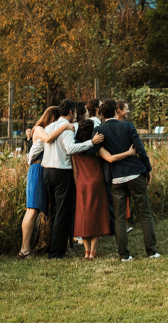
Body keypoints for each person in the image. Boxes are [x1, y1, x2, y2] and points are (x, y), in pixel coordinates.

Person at [96, 99, 160, 261]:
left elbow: (97, 152)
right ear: (116, 111)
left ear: (102, 114)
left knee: (118, 218)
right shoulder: (128, 126)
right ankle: (152, 252)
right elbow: (140, 149)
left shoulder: (99, 131)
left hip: (116, 178)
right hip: (135, 173)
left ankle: (124, 255)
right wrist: (148, 169)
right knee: (144, 213)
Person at [40, 99, 104, 259]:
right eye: (75, 112)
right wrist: (92, 142)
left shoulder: (50, 127)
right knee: (62, 212)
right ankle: (57, 252)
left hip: (47, 170)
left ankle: (53, 248)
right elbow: (71, 148)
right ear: (70, 112)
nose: (76, 115)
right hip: (61, 171)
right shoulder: (67, 129)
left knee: (54, 210)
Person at [19, 106, 75, 259]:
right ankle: (24, 249)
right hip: (37, 169)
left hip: (43, 169)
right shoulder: (38, 129)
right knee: (32, 210)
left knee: (39, 210)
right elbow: (48, 138)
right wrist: (65, 126)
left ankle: (36, 245)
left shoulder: (47, 129)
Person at [71, 100, 112, 260]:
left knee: (83, 216)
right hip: (97, 182)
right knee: (97, 215)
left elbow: (74, 171)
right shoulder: (95, 149)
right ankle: (93, 251)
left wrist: (77, 184)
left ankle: (86, 251)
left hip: (81, 183)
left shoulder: (75, 151)